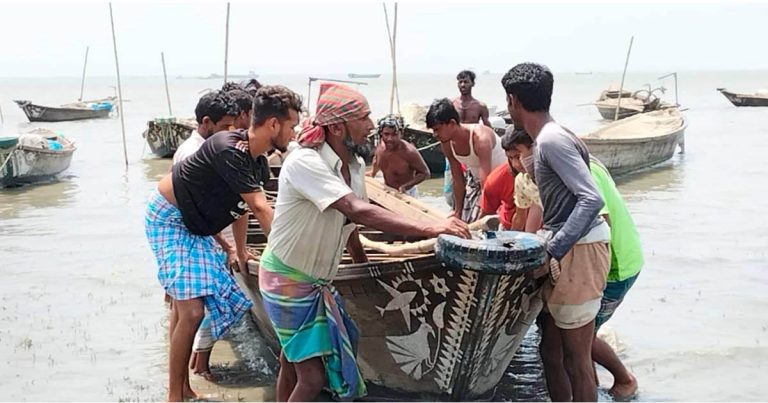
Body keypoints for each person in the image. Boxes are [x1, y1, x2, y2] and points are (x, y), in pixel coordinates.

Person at [259, 83, 470, 402]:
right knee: (312, 379)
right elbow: (355, 209)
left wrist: (362, 266)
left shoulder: (355, 167)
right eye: (364, 117)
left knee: (292, 363)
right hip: (287, 279)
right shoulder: (305, 162)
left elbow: (350, 224)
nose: (372, 126)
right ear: (336, 127)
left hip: (318, 281)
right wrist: (433, 227)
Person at [145, 85, 302, 402]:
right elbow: (260, 207)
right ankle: (174, 397)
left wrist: (239, 250)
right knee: (191, 312)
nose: (294, 132)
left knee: (191, 308)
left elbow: (242, 209)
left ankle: (185, 388)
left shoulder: (256, 163)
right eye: (292, 125)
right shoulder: (228, 147)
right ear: (273, 125)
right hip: (170, 219)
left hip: (196, 225)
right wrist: (288, 262)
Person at [503, 130, 643, 399]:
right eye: (513, 158)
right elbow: (533, 215)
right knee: (563, 346)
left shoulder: (577, 169)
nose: (519, 163)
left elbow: (600, 222)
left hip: (614, 263)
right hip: (585, 259)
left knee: (579, 344)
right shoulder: (538, 175)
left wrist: (558, 253)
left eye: (521, 155)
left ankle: (624, 380)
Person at [502, 62, 610, 402]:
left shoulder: (550, 141)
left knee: (577, 360)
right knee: (551, 350)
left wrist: (553, 249)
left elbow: (591, 199)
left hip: (578, 250)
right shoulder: (548, 138)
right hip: (569, 246)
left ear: (513, 100)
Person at [426, 98, 506, 222]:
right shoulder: (446, 143)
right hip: (477, 182)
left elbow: (487, 181)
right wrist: (457, 211)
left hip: (499, 181)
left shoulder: (480, 139)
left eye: (437, 129)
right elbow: (457, 179)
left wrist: (484, 213)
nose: (435, 134)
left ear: (452, 123)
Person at [368, 114, 430, 196]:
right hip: (387, 189)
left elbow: (425, 173)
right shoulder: (380, 146)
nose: (389, 139)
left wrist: (406, 186)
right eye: (386, 134)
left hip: (406, 193)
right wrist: (373, 173)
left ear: (401, 134)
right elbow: (376, 160)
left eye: (394, 135)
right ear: (381, 134)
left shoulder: (409, 152)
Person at [478, 128, 524, 230]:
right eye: (511, 158)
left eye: (519, 156)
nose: (516, 164)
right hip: (509, 229)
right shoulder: (495, 179)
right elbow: (486, 214)